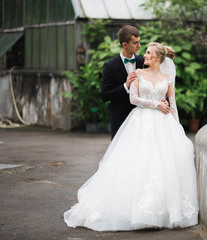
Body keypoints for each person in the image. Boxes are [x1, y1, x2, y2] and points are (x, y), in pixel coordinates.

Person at [63, 42, 199, 231]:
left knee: (162, 165)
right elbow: (133, 99)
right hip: (140, 122)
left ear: (158, 58)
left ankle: (161, 212)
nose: (145, 55)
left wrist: (178, 129)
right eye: (145, 52)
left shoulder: (167, 78)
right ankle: (133, 211)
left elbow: (173, 104)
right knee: (137, 163)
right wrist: (156, 105)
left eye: (149, 53)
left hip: (163, 125)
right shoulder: (138, 74)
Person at [100, 25, 144, 139]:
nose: (139, 45)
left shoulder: (143, 62)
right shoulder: (110, 66)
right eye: (135, 43)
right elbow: (105, 95)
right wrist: (125, 86)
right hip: (120, 120)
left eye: (139, 42)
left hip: (141, 119)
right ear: (124, 44)